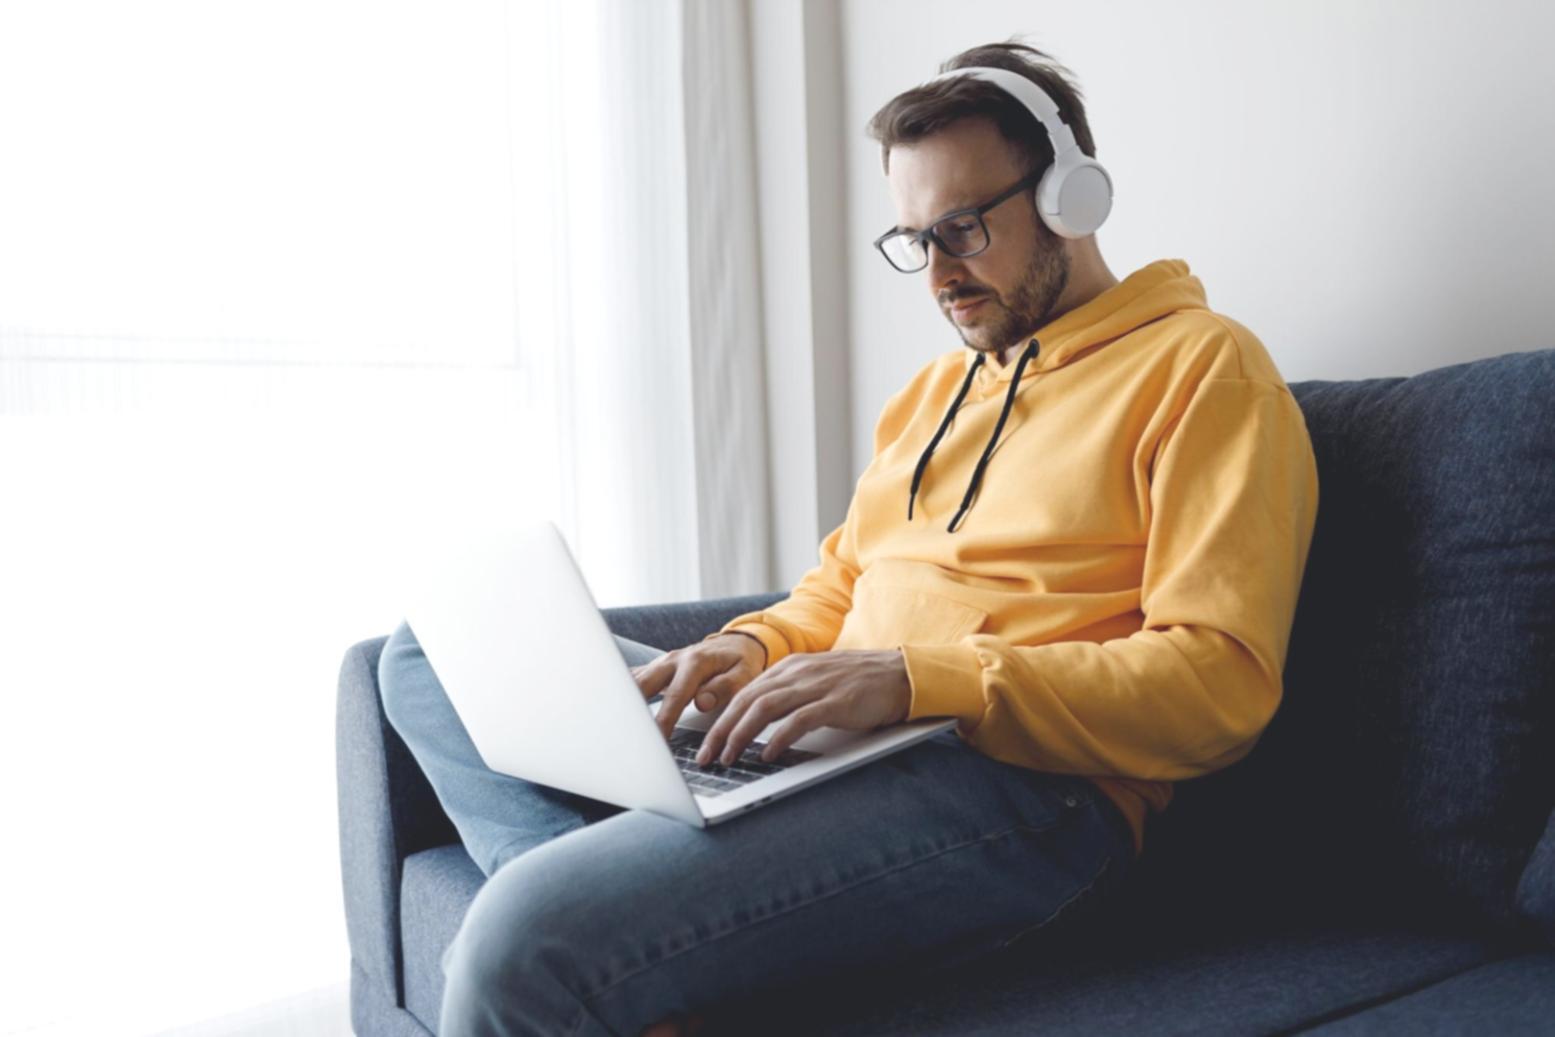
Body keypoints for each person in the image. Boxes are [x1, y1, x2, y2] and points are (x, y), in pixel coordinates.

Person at [379, 40, 1319, 1037]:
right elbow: (837, 587)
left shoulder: (1204, 373)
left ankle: (588, 936)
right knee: (418, 654)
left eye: (960, 229)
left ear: (1067, 197)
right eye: (915, 240)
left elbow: (1218, 686)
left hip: (1026, 791)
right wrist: (749, 647)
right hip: (841, 744)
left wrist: (922, 680)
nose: (938, 277)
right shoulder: (933, 393)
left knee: (520, 933)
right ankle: (631, 947)